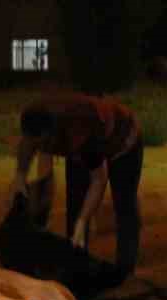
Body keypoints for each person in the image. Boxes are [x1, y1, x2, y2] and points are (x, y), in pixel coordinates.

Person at [8, 94, 143, 280]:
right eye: (36, 143)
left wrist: (83, 221)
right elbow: (29, 146)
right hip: (80, 136)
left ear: (52, 134)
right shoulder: (36, 114)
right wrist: (20, 176)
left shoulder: (81, 134)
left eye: (43, 143)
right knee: (75, 201)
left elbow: (99, 180)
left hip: (124, 138)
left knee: (124, 202)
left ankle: (126, 271)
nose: (40, 147)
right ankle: (77, 266)